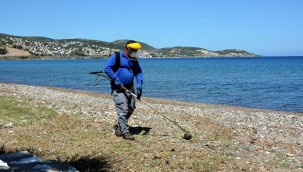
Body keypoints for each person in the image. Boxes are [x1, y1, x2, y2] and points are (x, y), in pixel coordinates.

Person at [104, 40, 143, 140]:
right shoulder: (117, 56)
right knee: (123, 109)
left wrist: (140, 83)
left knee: (131, 107)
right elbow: (107, 68)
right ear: (127, 49)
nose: (135, 52)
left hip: (130, 88)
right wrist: (115, 78)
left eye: (136, 50)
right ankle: (125, 132)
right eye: (134, 50)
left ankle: (119, 125)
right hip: (119, 88)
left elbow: (138, 71)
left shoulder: (134, 59)